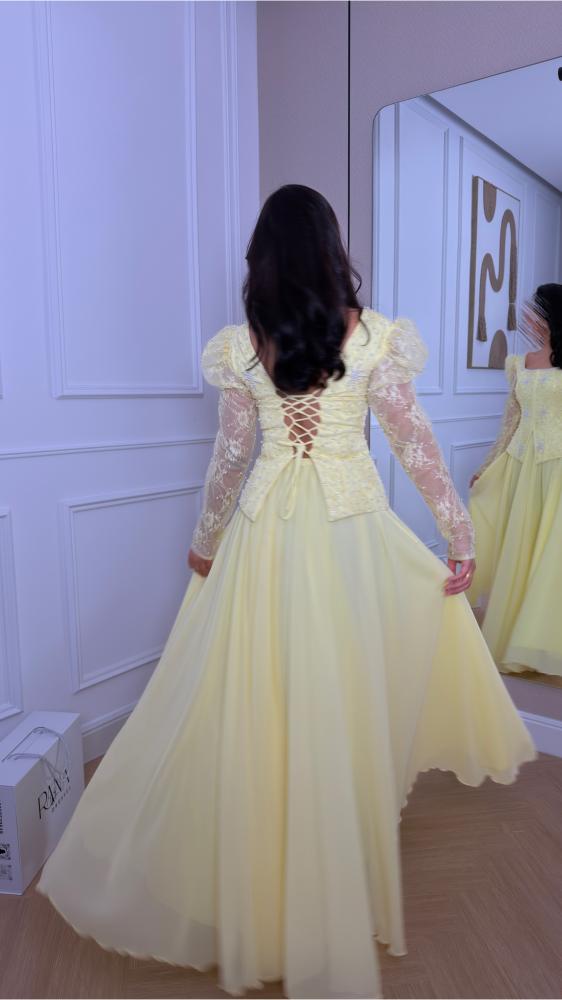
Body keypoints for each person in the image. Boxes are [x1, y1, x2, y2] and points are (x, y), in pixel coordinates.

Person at [36, 186, 535, 1000]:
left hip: (266, 533)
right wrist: (460, 531)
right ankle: (325, 866)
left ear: (263, 258)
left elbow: (232, 457)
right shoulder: (370, 337)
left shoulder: (247, 344)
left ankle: (267, 875)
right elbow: (413, 440)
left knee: (258, 699)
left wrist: (204, 544)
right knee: (339, 696)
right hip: (348, 534)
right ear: (333, 249)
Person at [468, 284, 562, 678]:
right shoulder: (518, 363)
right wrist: (488, 465)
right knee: (522, 550)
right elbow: (511, 421)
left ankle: (546, 641)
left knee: (551, 555)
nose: (528, 318)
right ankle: (518, 641)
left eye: (534, 311)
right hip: (522, 466)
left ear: (550, 315)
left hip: (557, 467)